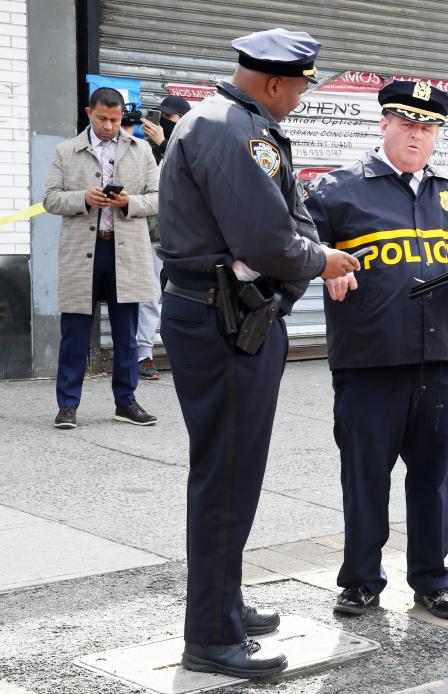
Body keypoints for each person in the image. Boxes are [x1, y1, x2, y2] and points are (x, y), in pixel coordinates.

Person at [157, 28, 359, 678]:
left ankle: (223, 601)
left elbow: (285, 220)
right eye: (302, 86)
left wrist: (298, 252)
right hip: (223, 319)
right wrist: (322, 259)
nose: (303, 96)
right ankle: (212, 636)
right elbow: (272, 239)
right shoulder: (233, 130)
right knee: (227, 476)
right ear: (275, 82)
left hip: (231, 313)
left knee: (231, 471)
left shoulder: (232, 121)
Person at [304, 80, 448, 622]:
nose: (418, 135)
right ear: (385, 125)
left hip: (442, 364)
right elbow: (296, 246)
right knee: (364, 480)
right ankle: (361, 581)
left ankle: (432, 580)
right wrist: (324, 265)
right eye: (408, 124)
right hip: (370, 364)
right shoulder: (337, 190)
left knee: (433, 483)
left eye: (429, 127)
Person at [42, 87, 160, 430]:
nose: (109, 126)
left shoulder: (142, 152)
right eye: (102, 118)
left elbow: (157, 199)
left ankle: (126, 402)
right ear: (88, 113)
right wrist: (84, 197)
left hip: (126, 251)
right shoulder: (66, 151)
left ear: (123, 116)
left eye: (116, 119)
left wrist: (128, 203)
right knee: (75, 332)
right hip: (82, 252)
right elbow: (50, 199)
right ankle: (67, 405)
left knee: (127, 332)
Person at [136, 95, 193, 381]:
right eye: (162, 118)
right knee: (148, 295)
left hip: (180, 238)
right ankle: (143, 355)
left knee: (178, 295)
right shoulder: (143, 149)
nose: (163, 124)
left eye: (170, 119)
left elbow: (189, 177)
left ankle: (181, 352)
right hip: (146, 234)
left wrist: (164, 143)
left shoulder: (187, 145)